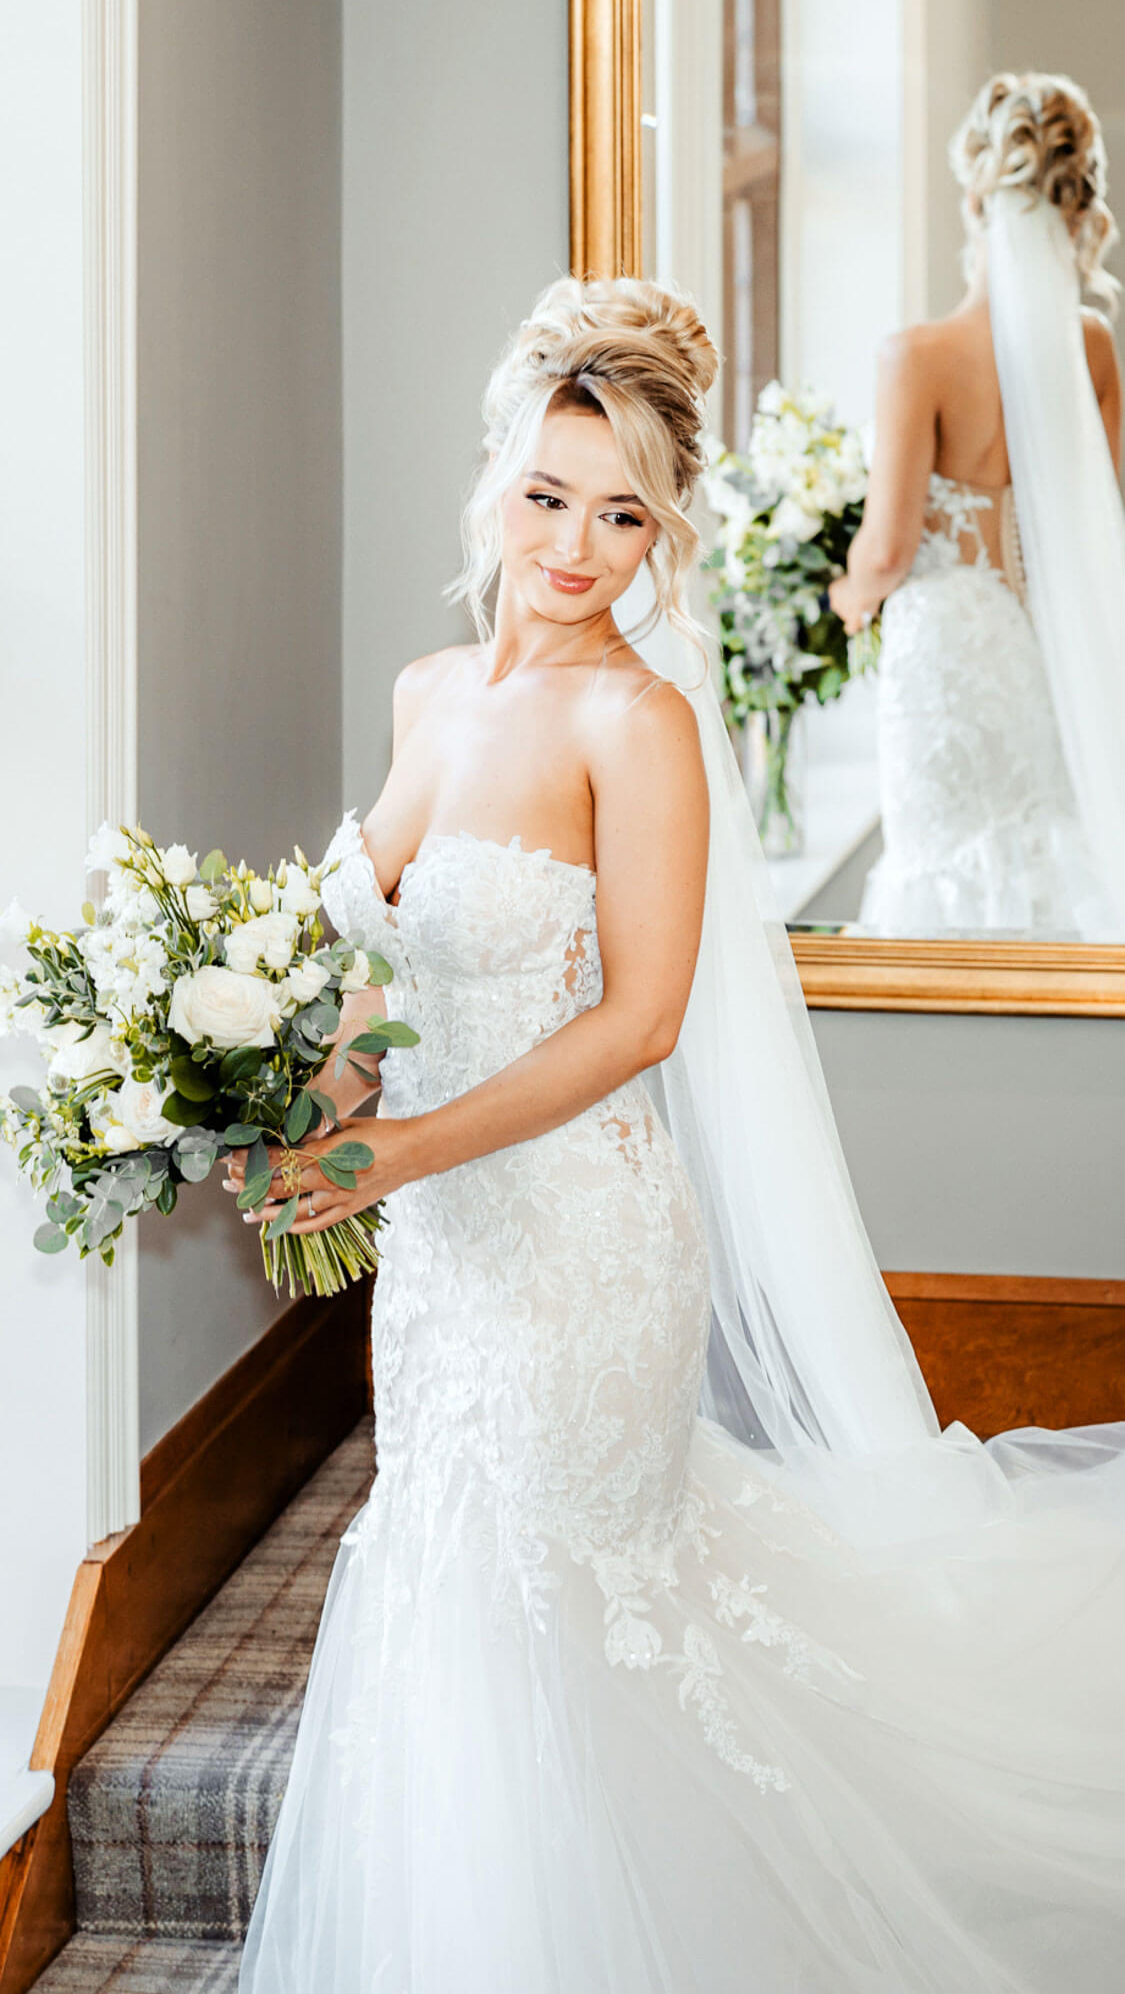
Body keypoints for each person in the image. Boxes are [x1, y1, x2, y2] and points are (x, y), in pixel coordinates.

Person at [228, 275, 1125, 1993]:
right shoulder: (432, 695)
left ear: (663, 533)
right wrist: (329, 1104)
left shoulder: (637, 724)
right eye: (550, 494)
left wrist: (396, 1153)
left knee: (546, 1603)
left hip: (576, 1250)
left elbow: (637, 1020)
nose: (575, 546)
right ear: (495, 474)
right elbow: (381, 956)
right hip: (440, 1266)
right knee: (456, 1589)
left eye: (623, 513)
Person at [830, 72, 1125, 938]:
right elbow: (1103, 510)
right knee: (1050, 845)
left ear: (973, 198)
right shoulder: (1093, 344)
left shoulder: (914, 356)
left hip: (948, 655)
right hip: (1047, 640)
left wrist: (846, 599)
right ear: (1074, 206)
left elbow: (885, 549)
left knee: (939, 868)